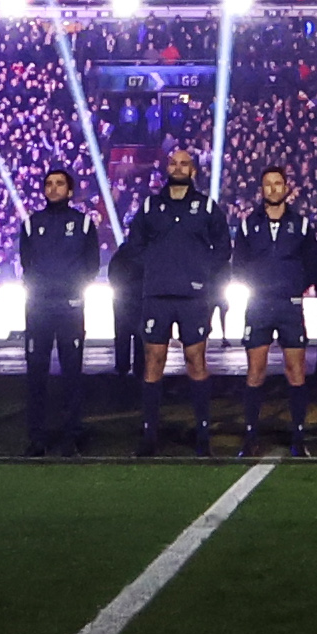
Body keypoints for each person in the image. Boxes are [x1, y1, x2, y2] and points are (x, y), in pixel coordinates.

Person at [123, 155, 222, 454]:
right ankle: (150, 435)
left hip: (193, 297)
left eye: (184, 164)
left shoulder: (206, 207)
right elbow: (134, 245)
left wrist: (200, 273)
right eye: (173, 163)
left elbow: (222, 248)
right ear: (167, 168)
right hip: (157, 295)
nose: (178, 167)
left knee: (197, 361)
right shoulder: (151, 206)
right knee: (153, 361)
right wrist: (154, 268)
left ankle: (202, 434)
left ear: (193, 170)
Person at [14, 169, 106, 456]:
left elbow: (92, 262)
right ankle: (37, 437)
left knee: (72, 374)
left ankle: (73, 434)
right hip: (38, 307)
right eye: (49, 184)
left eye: (59, 184)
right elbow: (26, 261)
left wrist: (72, 288)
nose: (53, 188)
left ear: (70, 191)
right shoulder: (32, 223)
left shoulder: (82, 223)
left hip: (70, 308)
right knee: (36, 374)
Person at [231, 167, 316, 456]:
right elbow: (238, 264)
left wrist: (295, 287)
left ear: (286, 188)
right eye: (268, 184)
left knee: (296, 371)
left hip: (290, 305)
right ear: (261, 189)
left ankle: (298, 438)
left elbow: (313, 263)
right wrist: (258, 286)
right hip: (258, 306)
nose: (273, 189)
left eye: (278, 183)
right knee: (255, 371)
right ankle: (251, 436)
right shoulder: (248, 224)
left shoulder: (302, 225)